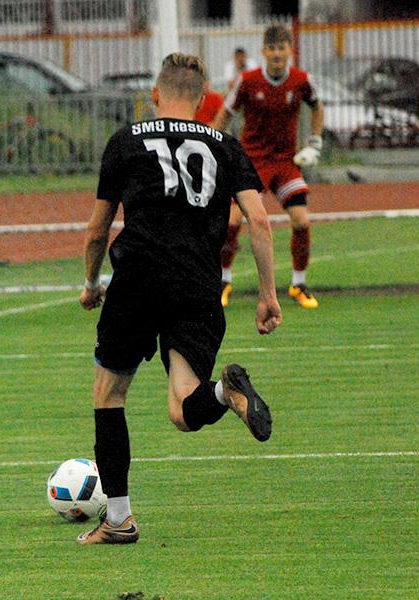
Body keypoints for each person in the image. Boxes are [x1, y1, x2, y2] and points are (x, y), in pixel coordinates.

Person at [77, 53, 282, 545]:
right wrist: (268, 295)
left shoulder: (126, 142)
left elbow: (98, 230)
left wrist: (91, 283)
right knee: (183, 407)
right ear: (204, 98)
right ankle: (224, 393)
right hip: (197, 284)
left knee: (109, 395)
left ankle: (119, 520)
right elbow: (259, 220)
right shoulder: (226, 147)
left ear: (155, 94)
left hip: (138, 278)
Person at [212, 25, 325, 310]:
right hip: (252, 162)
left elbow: (317, 107)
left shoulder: (302, 80)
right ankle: (223, 280)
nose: (276, 54)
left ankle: (298, 284)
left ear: (290, 50)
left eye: (281, 48)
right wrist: (213, 145)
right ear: (263, 51)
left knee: (302, 221)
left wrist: (315, 142)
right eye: (271, 48)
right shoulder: (247, 81)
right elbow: (225, 113)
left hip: (286, 162)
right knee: (232, 222)